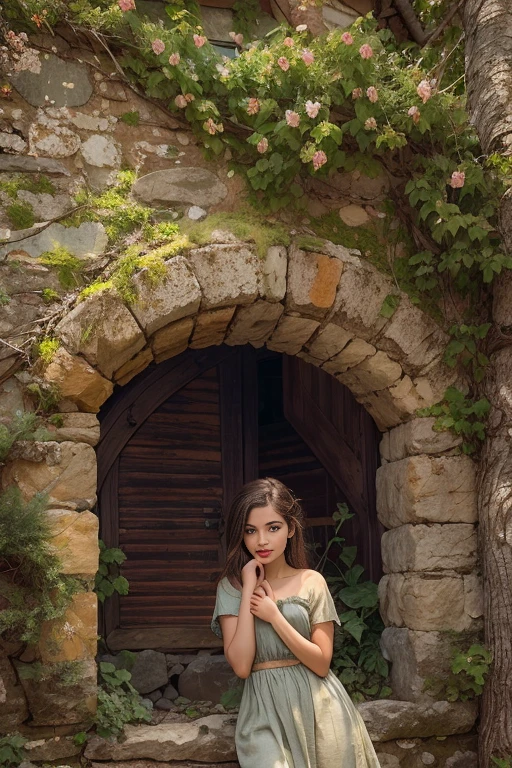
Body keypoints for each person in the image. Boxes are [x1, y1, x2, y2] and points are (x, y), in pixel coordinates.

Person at [211, 477, 381, 768]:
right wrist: (248, 588)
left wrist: (275, 616)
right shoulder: (232, 588)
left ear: (290, 529)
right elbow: (241, 666)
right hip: (263, 711)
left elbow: (321, 662)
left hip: (321, 709)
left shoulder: (311, 582)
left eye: (272, 528)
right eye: (250, 531)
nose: (261, 541)